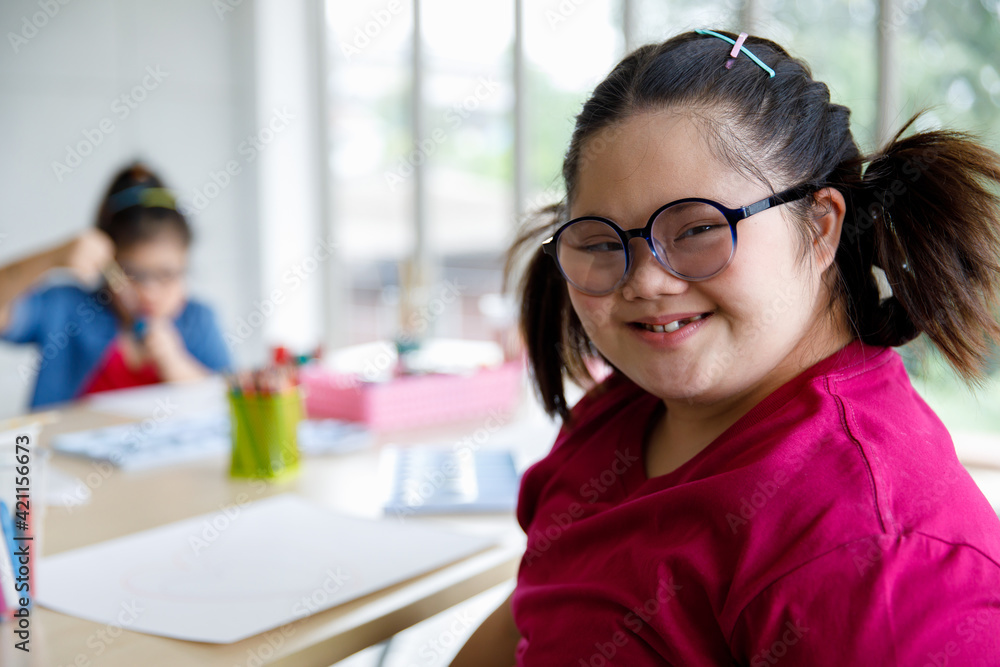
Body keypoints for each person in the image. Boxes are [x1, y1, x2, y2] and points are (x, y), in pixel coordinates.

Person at [451, 29, 1000, 665]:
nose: (647, 279)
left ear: (820, 228)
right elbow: (539, 608)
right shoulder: (624, 412)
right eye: (604, 243)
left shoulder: (875, 544)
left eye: (699, 229)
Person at [0, 162, 231, 409]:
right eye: (132, 274)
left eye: (166, 274)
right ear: (107, 265)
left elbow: (230, 400)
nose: (149, 291)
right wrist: (52, 258)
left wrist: (176, 364)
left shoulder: (199, 321)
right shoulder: (67, 309)